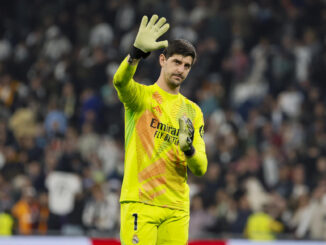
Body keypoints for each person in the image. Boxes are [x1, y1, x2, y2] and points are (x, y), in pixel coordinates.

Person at [113, 14, 208, 244]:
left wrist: (189, 151)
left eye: (187, 66)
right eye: (177, 62)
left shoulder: (192, 111)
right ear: (162, 60)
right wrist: (135, 54)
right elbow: (120, 82)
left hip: (176, 207)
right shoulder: (141, 98)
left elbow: (201, 167)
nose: (181, 70)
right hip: (141, 202)